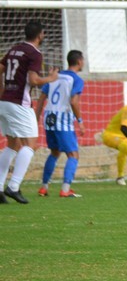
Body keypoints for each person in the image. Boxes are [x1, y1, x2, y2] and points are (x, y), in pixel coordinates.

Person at [0, 20, 59, 204]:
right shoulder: (34, 53)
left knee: (12, 144)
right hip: (19, 103)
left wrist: (2, 91)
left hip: (4, 102)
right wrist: (50, 78)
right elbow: (33, 80)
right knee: (30, 144)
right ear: (40, 35)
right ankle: (13, 186)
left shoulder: (14, 49)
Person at [37, 49, 86, 198]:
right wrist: (80, 121)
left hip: (49, 117)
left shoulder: (55, 76)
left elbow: (42, 97)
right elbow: (74, 101)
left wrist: (36, 116)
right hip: (62, 119)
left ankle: (44, 187)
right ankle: (65, 189)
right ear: (79, 62)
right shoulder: (76, 80)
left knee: (54, 152)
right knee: (73, 155)